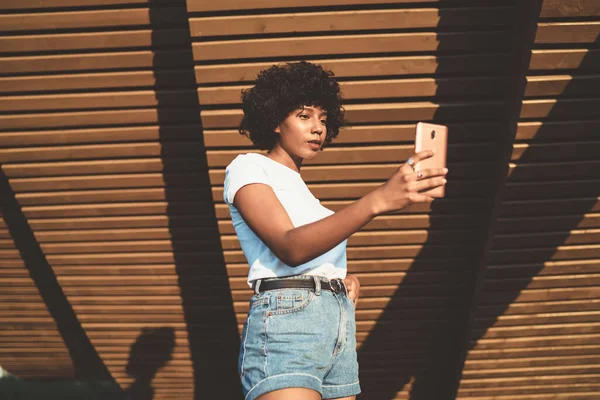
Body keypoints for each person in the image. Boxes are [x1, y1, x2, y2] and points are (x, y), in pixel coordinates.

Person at [223, 61, 448, 400]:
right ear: (273, 120)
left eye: (324, 119)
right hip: (288, 323)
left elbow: (309, 253)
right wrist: (379, 200)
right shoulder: (248, 167)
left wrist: (337, 279)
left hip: (337, 325)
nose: (318, 129)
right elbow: (290, 247)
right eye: (304, 116)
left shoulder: (308, 197)